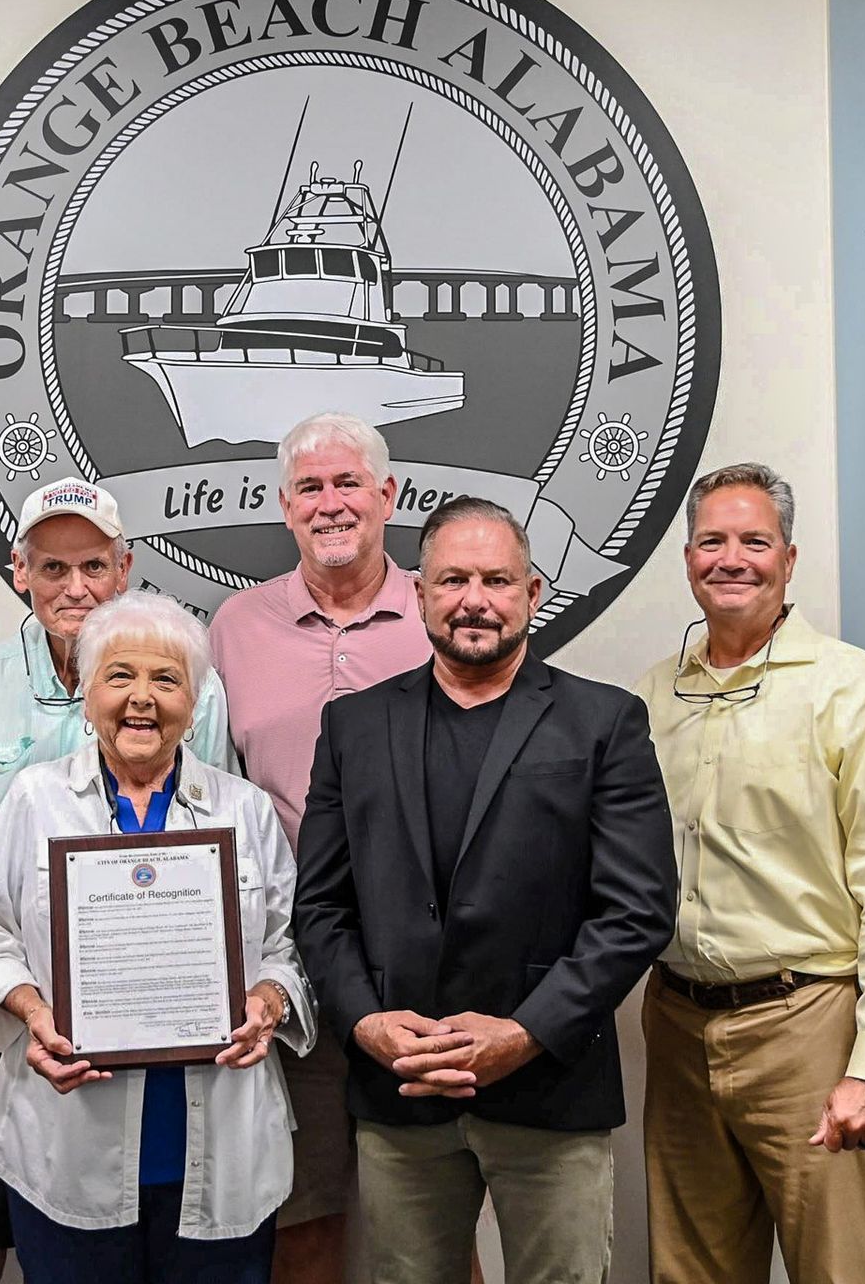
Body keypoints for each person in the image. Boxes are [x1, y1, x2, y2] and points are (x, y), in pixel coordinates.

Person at [295, 496, 676, 1284]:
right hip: (400, 1089)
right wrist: (366, 1023)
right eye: (454, 579)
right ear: (421, 595)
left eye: (498, 580)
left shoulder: (603, 723)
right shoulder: (355, 727)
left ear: (533, 594)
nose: (476, 599)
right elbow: (321, 907)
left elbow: (638, 911)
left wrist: (526, 1032)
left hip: (549, 1088)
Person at [0, 477, 233, 1284]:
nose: (75, 587)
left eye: (93, 566)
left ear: (124, 569)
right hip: (1, 1009)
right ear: (20, 571)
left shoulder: (198, 687)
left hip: (147, 1009)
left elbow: (218, 840)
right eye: (53, 569)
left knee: (118, 1228)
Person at [0, 591, 314, 1283]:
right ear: (86, 695)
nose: (141, 699)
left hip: (222, 1138)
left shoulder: (246, 810)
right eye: (119, 677)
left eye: (166, 680)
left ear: (196, 701)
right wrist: (32, 1013)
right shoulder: (33, 800)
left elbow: (287, 947)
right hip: (67, 1135)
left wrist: (268, 1000)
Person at [632, 463, 865, 1284]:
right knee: (689, 1271)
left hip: (807, 1024)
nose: (732, 559)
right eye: (712, 541)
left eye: (754, 542)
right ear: (689, 558)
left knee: (835, 1269)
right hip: (677, 1024)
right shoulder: (652, 698)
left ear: (790, 559)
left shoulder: (858, 693)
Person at [209, 412, 431, 1283]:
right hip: (289, 965)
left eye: (348, 484)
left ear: (388, 495)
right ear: (284, 506)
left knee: (437, 1222)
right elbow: (209, 790)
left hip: (424, 957)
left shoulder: (440, 608)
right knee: (303, 1214)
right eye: (310, 487)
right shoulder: (234, 627)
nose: (331, 503)